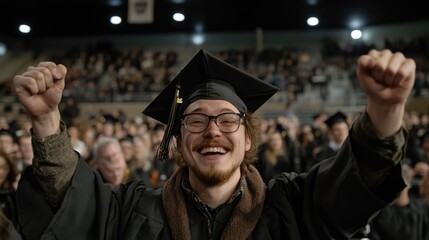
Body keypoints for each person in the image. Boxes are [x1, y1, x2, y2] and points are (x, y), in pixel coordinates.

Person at [14, 49, 413, 239]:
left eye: (227, 119)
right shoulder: (133, 210)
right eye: (195, 119)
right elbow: (72, 200)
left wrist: (384, 110)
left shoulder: (294, 206)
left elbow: (357, 179)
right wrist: (48, 121)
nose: (212, 130)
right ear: (177, 140)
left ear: (248, 137)